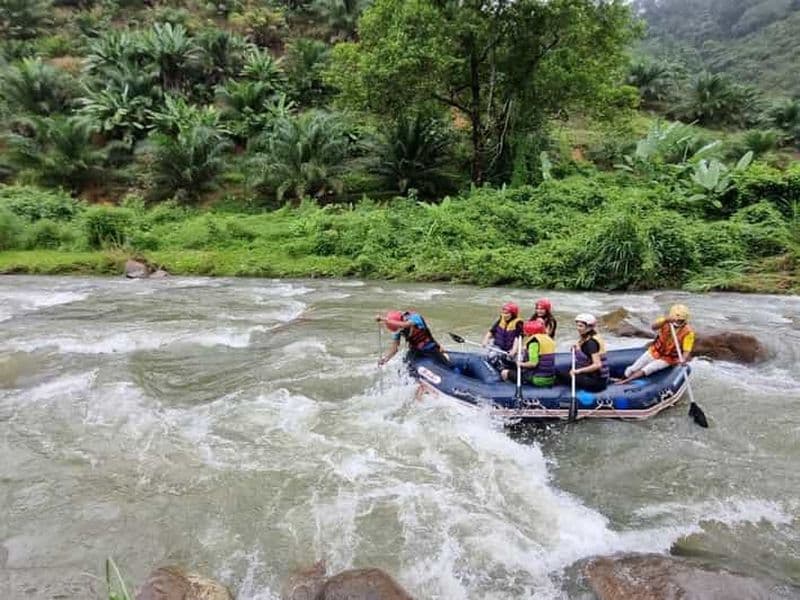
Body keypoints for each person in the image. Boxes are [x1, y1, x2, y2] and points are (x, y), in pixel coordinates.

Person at [616, 304, 694, 385]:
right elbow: (653, 327)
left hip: (668, 358)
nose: (678, 322)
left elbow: (687, 350)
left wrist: (683, 359)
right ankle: (622, 378)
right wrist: (666, 321)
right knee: (633, 368)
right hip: (654, 351)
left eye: (681, 320)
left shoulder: (688, 332)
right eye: (677, 320)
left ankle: (625, 381)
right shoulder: (664, 321)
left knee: (648, 369)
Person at [376, 310, 451, 367]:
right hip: (415, 350)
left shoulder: (415, 318)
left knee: (445, 365)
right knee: (405, 365)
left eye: (397, 328)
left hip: (429, 346)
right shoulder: (398, 329)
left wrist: (384, 319)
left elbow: (406, 325)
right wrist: (385, 360)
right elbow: (394, 349)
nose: (398, 330)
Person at [501, 319, 556, 387]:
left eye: (525, 330)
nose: (524, 332)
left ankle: (508, 388)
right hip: (550, 378)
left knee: (504, 372)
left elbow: (533, 363)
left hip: (538, 379)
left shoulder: (534, 343)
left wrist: (521, 364)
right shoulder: (548, 339)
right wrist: (519, 350)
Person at [566, 313, 609, 392]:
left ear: (589, 327)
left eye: (581, 326)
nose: (578, 328)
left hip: (596, 382)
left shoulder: (591, 343)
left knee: (559, 373)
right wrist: (577, 349)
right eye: (577, 325)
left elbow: (597, 365)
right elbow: (586, 355)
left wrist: (579, 371)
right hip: (593, 375)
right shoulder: (588, 337)